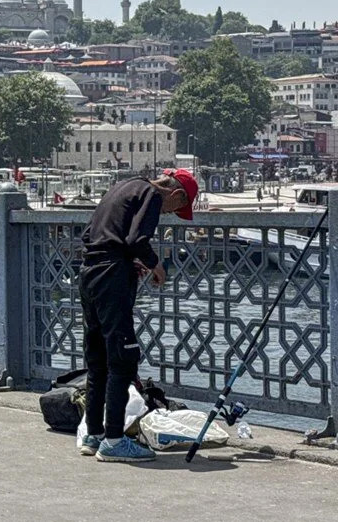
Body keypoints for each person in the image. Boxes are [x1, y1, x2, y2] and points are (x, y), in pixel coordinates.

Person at [77, 169, 198, 462]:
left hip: (90, 273)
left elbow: (90, 234)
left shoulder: (124, 186)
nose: (169, 213)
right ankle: (114, 441)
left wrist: (125, 261)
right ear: (177, 194)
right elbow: (136, 239)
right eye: (176, 209)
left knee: (97, 358)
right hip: (111, 279)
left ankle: (94, 435)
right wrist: (155, 265)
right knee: (122, 357)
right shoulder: (153, 196)